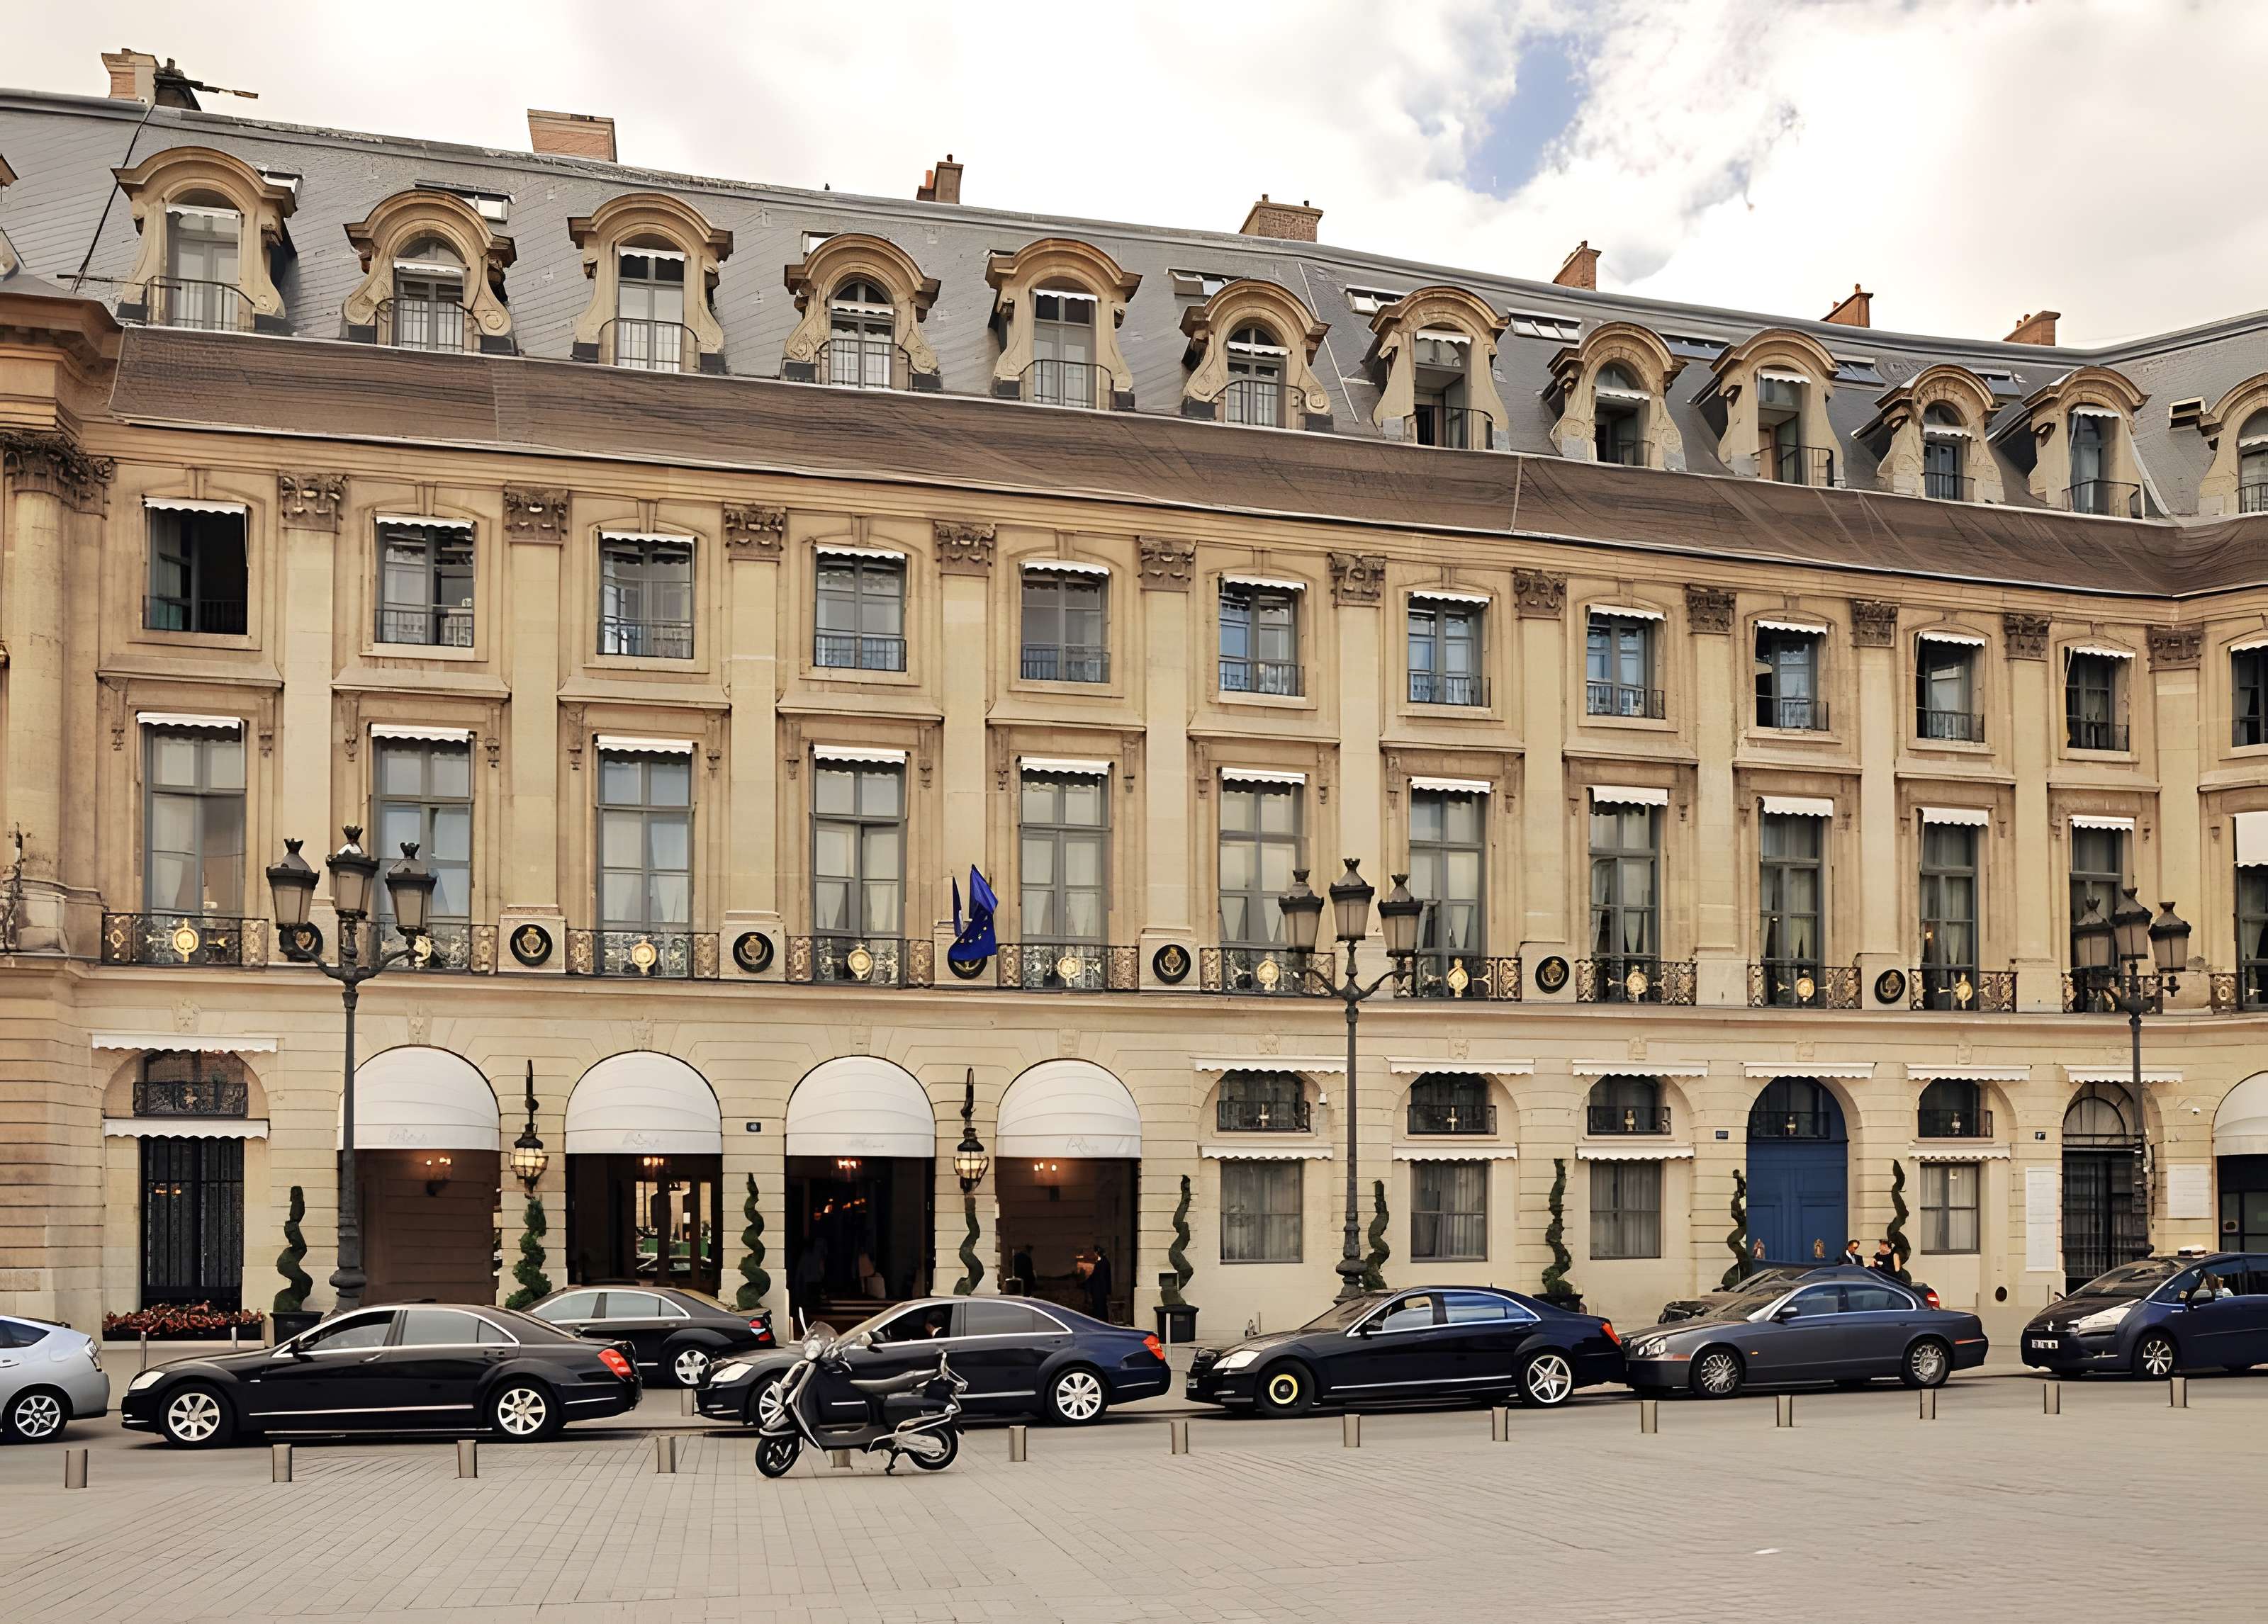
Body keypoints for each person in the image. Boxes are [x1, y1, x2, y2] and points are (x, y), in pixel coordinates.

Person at [1082, 1241, 1113, 1321]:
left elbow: (1098, 1276)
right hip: (1101, 1289)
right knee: (1101, 1307)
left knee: (1100, 1308)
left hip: (1099, 1289)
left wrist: (1087, 1283)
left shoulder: (1101, 1263)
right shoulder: (1104, 1262)